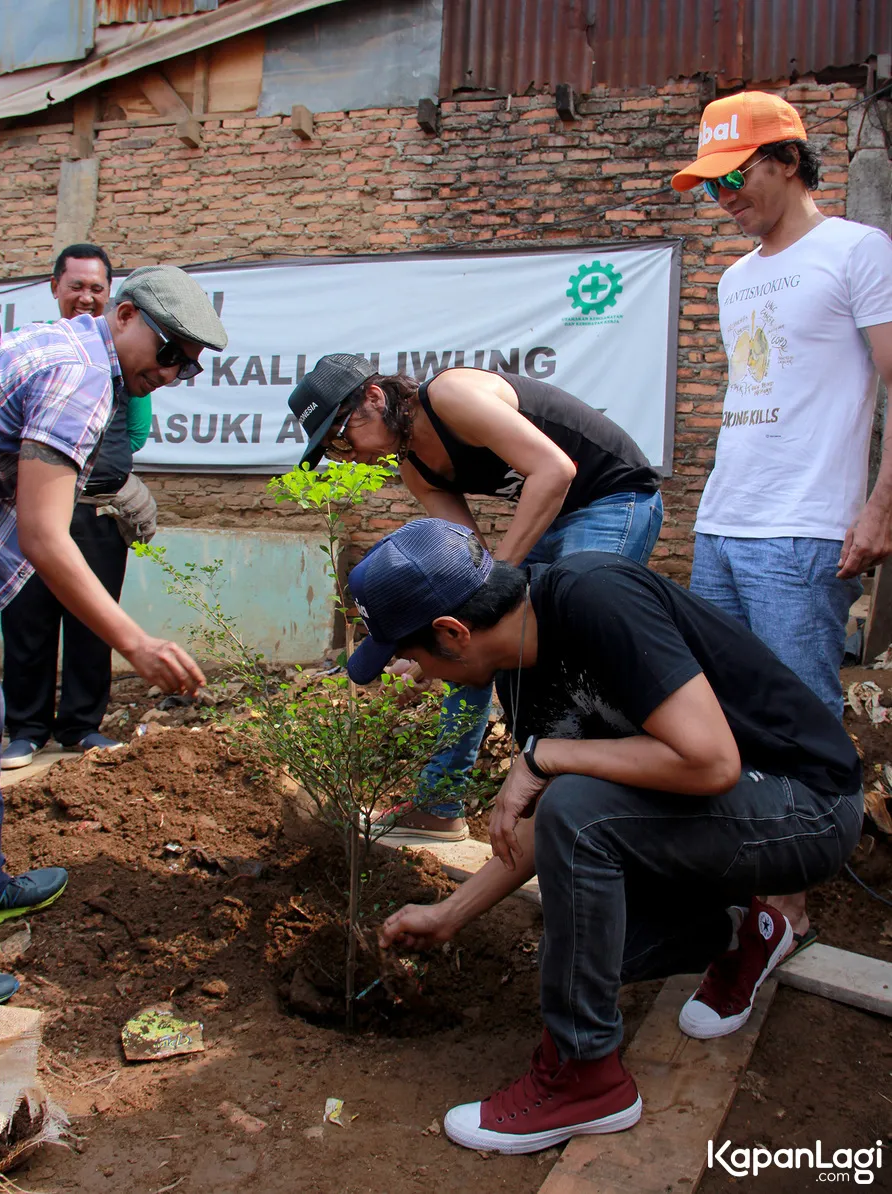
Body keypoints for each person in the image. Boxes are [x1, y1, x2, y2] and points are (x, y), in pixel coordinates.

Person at [347, 518, 861, 1155]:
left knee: (576, 809)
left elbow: (710, 763)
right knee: (591, 948)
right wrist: (450, 913)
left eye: (412, 655)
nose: (418, 674)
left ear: (453, 633)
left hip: (806, 806)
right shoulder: (516, 667)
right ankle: (741, 932)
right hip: (721, 821)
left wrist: (543, 758)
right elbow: (547, 823)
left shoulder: (595, 597)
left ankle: (586, 1079)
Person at [671, 90, 892, 944]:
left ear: (790, 160)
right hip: (726, 524)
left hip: (804, 529)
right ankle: (740, 875)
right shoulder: (735, 277)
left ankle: (788, 906)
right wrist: (708, 517)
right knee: (718, 713)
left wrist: (879, 506)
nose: (723, 196)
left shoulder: (857, 251)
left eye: (736, 175)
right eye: (710, 185)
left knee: (796, 717)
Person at [288, 355, 663, 840]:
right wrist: (427, 646)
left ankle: (587, 823)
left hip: (611, 498)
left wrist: (495, 584)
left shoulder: (450, 396)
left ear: (374, 398)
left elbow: (554, 470)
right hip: (555, 510)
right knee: (467, 636)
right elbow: (462, 567)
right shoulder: (414, 467)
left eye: (342, 438)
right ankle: (439, 804)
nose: (347, 455)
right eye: (333, 451)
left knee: (575, 648)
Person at [0, 264, 226, 1006]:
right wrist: (137, 644)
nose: (176, 371)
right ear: (124, 316)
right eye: (170, 352)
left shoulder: (67, 349)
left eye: (190, 363)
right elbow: (44, 535)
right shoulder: (85, 377)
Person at [1, 244, 156, 768]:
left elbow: (134, 434)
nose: (87, 296)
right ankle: (24, 728)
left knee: (94, 617)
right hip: (32, 505)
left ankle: (82, 726)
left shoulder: (130, 369)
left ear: (112, 298)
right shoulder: (61, 359)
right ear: (55, 289)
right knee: (28, 619)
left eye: (97, 288)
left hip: (98, 508)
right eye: (77, 286)